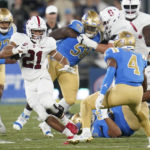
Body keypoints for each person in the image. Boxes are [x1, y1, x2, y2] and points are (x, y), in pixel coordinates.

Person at [12, 10, 104, 135]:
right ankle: (25, 115)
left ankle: (46, 123)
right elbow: (55, 34)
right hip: (54, 61)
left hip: (71, 66)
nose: (91, 30)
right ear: (83, 24)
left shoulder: (100, 36)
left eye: (94, 27)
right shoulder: (75, 28)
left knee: (70, 100)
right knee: (37, 88)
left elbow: (105, 48)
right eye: (88, 27)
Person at [0, 16, 78, 139]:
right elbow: (3, 53)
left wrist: (67, 65)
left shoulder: (48, 42)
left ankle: (67, 121)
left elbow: (59, 57)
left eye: (40, 31)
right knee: (43, 116)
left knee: (47, 103)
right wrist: (16, 50)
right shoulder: (19, 38)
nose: (38, 34)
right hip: (28, 83)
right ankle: (70, 135)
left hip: (42, 77)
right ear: (29, 30)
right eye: (35, 31)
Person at [68, 31, 150, 148]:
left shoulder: (114, 51)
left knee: (86, 102)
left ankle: (85, 134)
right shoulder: (140, 56)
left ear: (119, 42)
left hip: (123, 90)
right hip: (137, 92)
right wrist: (142, 91)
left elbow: (110, 72)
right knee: (140, 114)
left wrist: (102, 94)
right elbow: (143, 76)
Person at [71, 102, 149, 138]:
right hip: (127, 121)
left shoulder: (93, 111)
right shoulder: (95, 130)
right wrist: (105, 116)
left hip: (123, 106)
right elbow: (116, 133)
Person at [0, 8, 17, 134]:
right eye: (2, 23)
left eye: (7, 23)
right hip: (2, 62)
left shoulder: (13, 29)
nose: (5, 25)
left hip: (1, 64)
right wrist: (6, 60)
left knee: (0, 90)